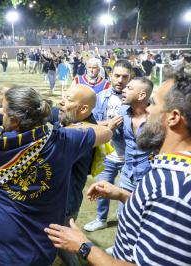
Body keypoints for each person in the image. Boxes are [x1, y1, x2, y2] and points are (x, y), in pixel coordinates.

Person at [45, 67, 191, 266]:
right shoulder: (171, 173)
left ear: (173, 117)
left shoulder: (174, 190)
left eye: (154, 103)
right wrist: (123, 195)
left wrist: (83, 245)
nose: (148, 109)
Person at [0, 87, 112, 265]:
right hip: (40, 249)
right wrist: (74, 127)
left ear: (15, 119)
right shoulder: (63, 140)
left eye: (4, 111)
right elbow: (107, 133)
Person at [83, 59, 132, 232]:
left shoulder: (136, 98)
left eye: (125, 77)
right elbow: (93, 123)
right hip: (107, 154)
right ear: (110, 75)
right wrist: (108, 124)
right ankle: (101, 219)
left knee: (125, 193)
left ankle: (124, 223)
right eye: (117, 75)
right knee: (102, 189)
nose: (120, 80)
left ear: (130, 77)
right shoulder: (101, 96)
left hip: (129, 156)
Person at [56, 84, 98, 266]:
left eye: (69, 100)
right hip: (65, 199)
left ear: (84, 109)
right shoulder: (73, 120)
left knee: (63, 244)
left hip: (66, 202)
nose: (61, 102)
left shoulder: (81, 132)